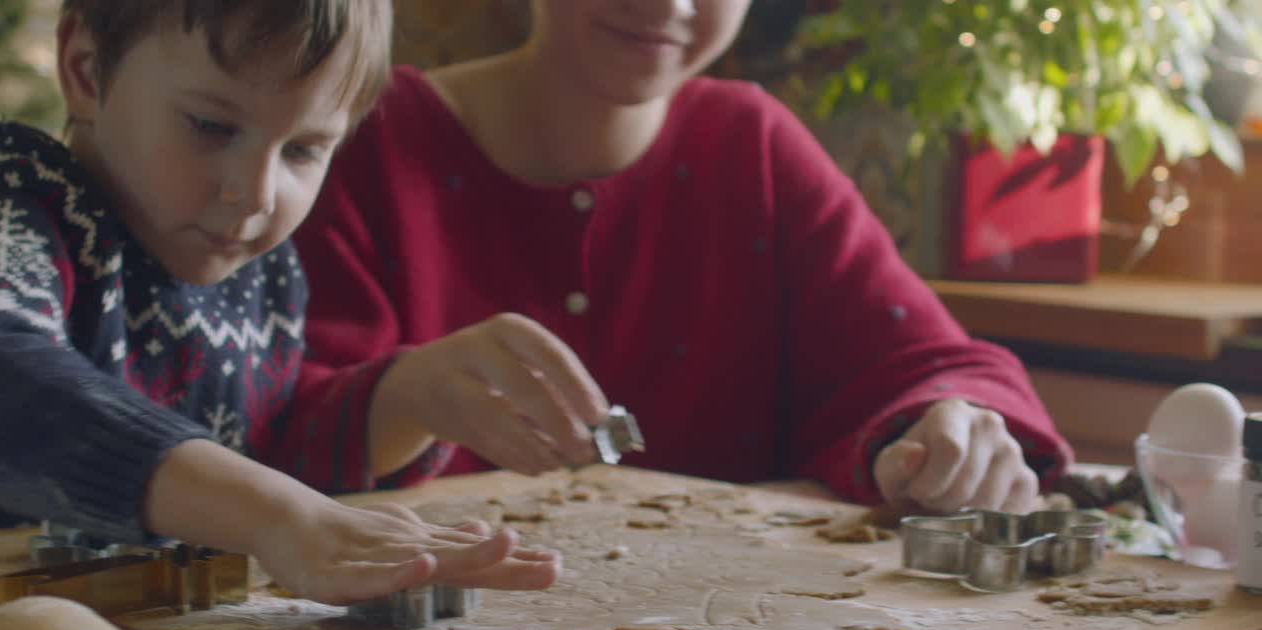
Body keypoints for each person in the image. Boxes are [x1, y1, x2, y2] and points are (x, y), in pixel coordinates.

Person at [286, 0, 1073, 513]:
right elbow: (248, 439)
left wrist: (949, 434)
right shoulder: (352, 145)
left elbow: (924, 365)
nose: (669, 4)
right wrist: (406, 397)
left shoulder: (753, 145)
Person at [0, 0, 561, 605]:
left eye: (303, 150)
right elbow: (1, 377)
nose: (256, 194)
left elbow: (262, 445)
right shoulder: (12, 198)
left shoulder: (264, 270)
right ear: (86, 71)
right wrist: (277, 516)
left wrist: (405, 399)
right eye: (211, 125)